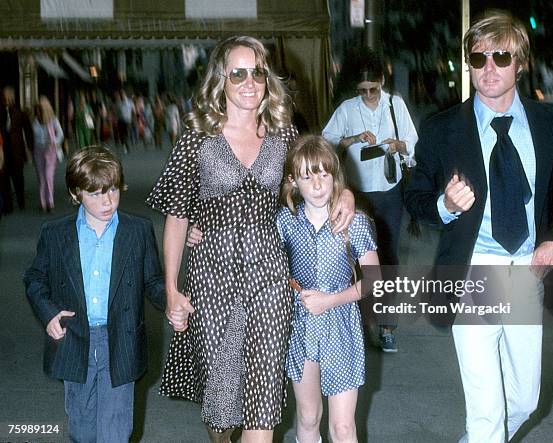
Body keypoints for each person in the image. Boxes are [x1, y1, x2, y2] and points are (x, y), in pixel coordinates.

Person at [146, 36, 355, 443]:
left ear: (267, 79)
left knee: (262, 403)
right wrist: (172, 289)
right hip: (211, 278)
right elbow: (175, 216)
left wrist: (344, 192)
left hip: (269, 278)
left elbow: (319, 170)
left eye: (257, 72)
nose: (248, 81)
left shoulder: (282, 133)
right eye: (237, 72)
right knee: (221, 412)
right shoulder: (197, 136)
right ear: (220, 80)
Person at [404, 12, 553, 443]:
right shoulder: (443, 129)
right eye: (478, 58)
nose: (488, 68)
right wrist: (445, 205)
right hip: (473, 273)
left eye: (500, 57)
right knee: (486, 413)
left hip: (525, 272)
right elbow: (415, 197)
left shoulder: (551, 122)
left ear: (519, 62)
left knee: (523, 401)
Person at [23, 146, 166, 442]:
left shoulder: (137, 230)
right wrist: (48, 313)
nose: (107, 200)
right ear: (77, 194)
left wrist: (175, 302)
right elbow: (35, 277)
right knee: (82, 428)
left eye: (113, 189)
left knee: (115, 431)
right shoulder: (55, 233)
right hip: (74, 339)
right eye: (96, 193)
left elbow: (153, 281)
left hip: (121, 339)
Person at [278, 135, 378, 443]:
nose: (318, 184)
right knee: (307, 418)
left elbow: (375, 279)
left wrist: (331, 300)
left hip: (341, 325)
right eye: (308, 176)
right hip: (300, 325)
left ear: (335, 176)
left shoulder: (354, 223)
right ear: (293, 182)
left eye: (324, 174)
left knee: (343, 427)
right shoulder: (285, 221)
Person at [322, 48, 418, 353]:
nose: (368, 96)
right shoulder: (348, 109)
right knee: (357, 259)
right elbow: (326, 141)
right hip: (356, 192)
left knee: (388, 257)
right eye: (363, 91)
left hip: (390, 190)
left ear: (382, 82)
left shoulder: (395, 104)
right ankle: (359, 323)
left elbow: (412, 145)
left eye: (373, 90)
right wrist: (351, 139)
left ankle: (388, 324)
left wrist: (397, 145)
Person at [0, 86, 33, 213]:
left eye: (9, 97)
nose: (6, 99)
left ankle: (21, 201)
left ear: (13, 98)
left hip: (17, 151)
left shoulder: (19, 112)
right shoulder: (1, 111)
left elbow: (28, 130)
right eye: (4, 97)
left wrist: (30, 147)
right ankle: (8, 206)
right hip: (4, 151)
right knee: (4, 180)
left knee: (18, 178)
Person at [31, 96, 63, 212]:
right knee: (41, 178)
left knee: (48, 176)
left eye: (40, 109)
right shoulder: (34, 120)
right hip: (38, 151)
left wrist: (54, 142)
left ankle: (50, 202)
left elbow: (60, 134)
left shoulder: (53, 120)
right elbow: (32, 137)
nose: (38, 112)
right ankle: (42, 203)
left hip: (50, 151)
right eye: (37, 109)